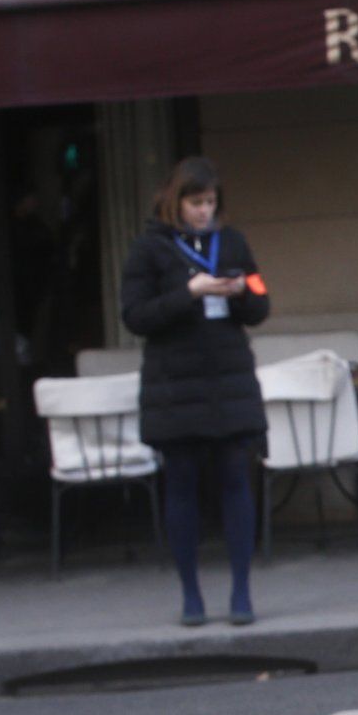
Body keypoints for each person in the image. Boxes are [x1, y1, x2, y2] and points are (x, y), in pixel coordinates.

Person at [120, 157, 270, 628]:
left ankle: (241, 592)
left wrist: (240, 292)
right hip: (174, 381)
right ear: (175, 201)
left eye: (209, 203)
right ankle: (191, 596)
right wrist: (189, 292)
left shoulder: (234, 241)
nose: (204, 212)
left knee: (234, 478)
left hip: (228, 375)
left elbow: (262, 302)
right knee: (181, 483)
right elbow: (135, 315)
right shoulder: (150, 249)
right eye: (195, 202)